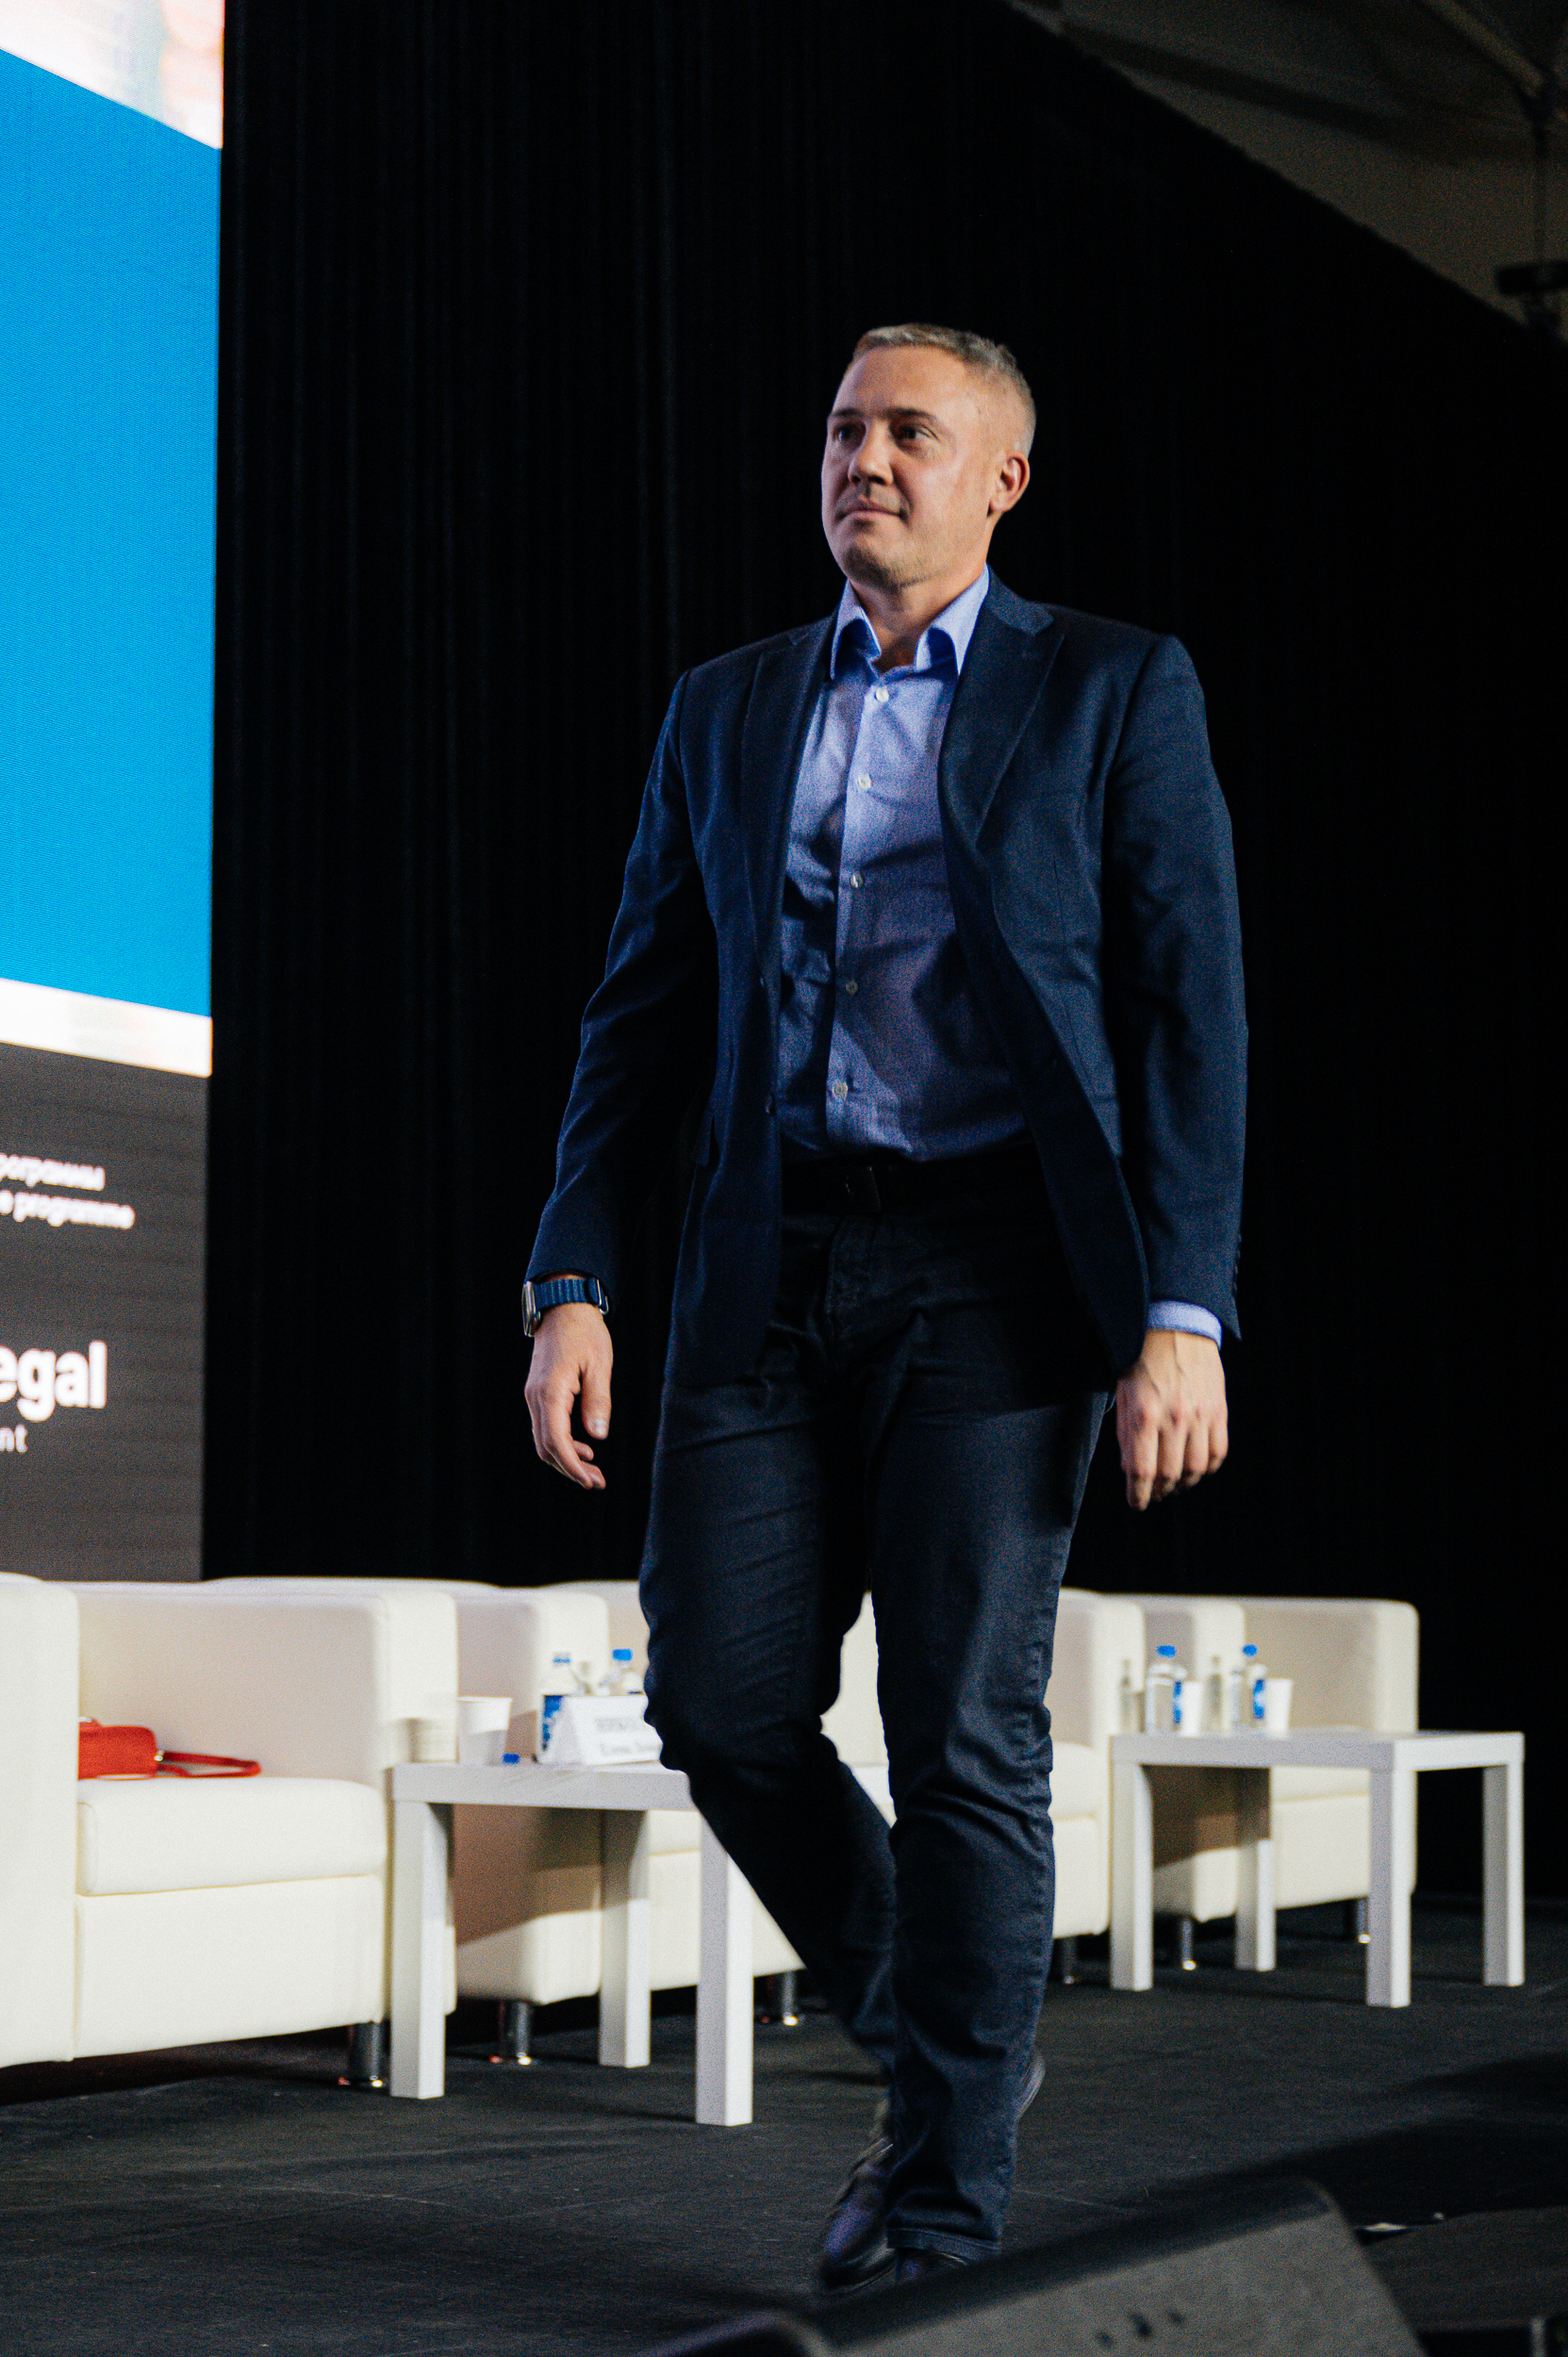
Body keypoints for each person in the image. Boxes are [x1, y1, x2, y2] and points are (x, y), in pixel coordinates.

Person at [523, 323, 1246, 2284]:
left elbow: (1190, 1012)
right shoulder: (727, 705)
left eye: (910, 432)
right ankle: (945, 2036)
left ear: (1001, 477)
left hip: (1001, 1276)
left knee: (961, 1733)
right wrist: (573, 1277)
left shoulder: (1112, 687)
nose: (866, 458)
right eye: (846, 428)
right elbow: (635, 1016)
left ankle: (937, 2206)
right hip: (765, 1267)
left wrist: (1181, 1308)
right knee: (719, 1700)